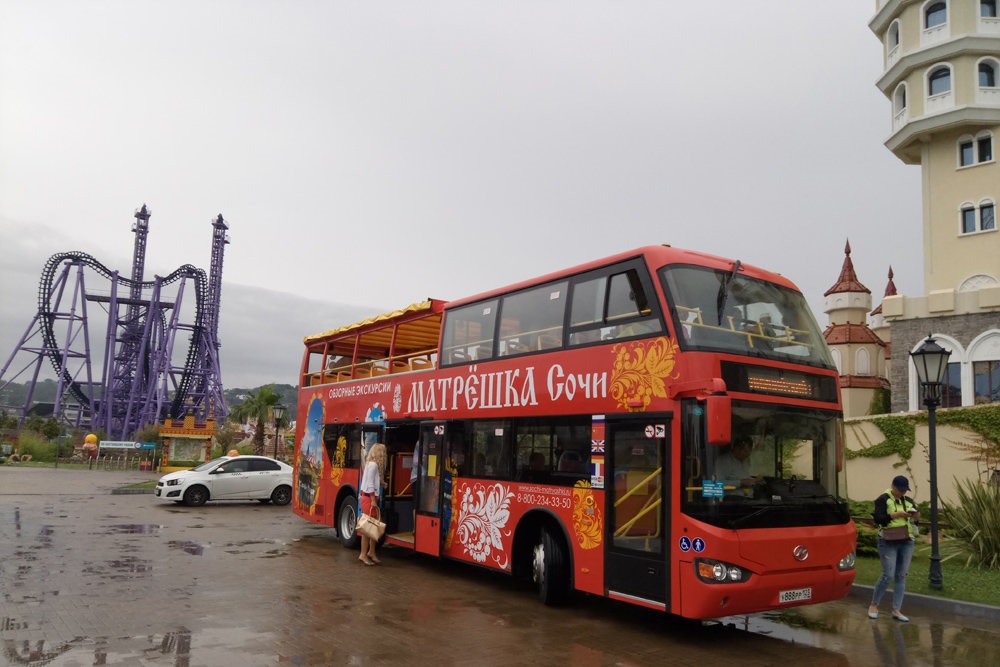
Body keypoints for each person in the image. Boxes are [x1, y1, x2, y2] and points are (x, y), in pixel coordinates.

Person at [868, 475, 920, 622]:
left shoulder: (908, 501)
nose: (903, 493)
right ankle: (874, 605)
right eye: (900, 490)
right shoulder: (883, 499)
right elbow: (878, 519)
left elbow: (917, 518)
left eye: (905, 490)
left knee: (901, 575)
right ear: (893, 487)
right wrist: (894, 515)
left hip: (906, 540)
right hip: (888, 540)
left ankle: (897, 609)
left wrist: (916, 516)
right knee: (888, 575)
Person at [358, 443, 387, 566]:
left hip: (368, 498)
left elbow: (372, 480)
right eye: (384, 452)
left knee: (372, 527)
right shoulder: (374, 465)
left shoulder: (370, 464)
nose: (385, 455)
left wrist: (381, 483)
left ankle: (371, 552)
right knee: (368, 528)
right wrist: (373, 500)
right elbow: (370, 484)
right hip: (369, 499)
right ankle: (363, 554)